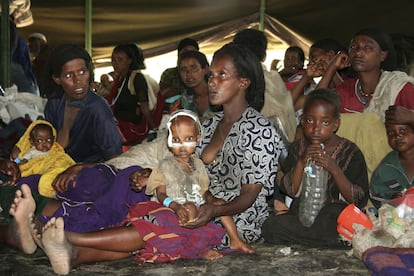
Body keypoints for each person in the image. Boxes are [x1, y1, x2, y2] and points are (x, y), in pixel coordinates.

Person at [4, 42, 282, 275]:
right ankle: (72, 253)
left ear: (243, 82)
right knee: (137, 195)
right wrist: (153, 174)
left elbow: (250, 197)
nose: (212, 82)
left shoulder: (259, 130)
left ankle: (64, 237)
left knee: (161, 222)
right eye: (212, 75)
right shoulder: (209, 124)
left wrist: (214, 210)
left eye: (223, 75)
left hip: (236, 216)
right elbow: (181, 163)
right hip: (197, 201)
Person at [262, 88, 369, 247]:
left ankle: (316, 239)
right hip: (303, 216)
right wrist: (301, 161)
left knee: (331, 212)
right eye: (310, 121)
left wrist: (334, 168)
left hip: (334, 218)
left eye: (324, 122)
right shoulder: (298, 148)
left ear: (335, 124)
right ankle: (327, 241)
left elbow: (359, 199)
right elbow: (290, 190)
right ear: (302, 121)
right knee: (270, 226)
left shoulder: (350, 152)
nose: (316, 128)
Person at [144, 109, 253, 253]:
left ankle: (235, 240)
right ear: (168, 142)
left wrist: (211, 199)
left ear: (198, 139)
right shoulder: (165, 165)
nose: (182, 146)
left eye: (188, 139)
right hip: (172, 210)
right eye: (176, 140)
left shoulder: (199, 164)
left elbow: (203, 190)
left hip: (195, 208)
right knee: (189, 207)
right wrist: (176, 206)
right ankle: (197, 248)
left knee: (220, 203)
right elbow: (161, 194)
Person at [233, 28, 296, 215]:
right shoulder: (274, 77)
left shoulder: (243, 77)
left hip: (267, 144)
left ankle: (275, 199)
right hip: (285, 143)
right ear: (263, 53)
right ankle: (277, 199)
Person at [43, 44, 123, 163]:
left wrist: (82, 168)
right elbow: (49, 145)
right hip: (57, 165)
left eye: (82, 72)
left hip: (91, 170)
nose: (78, 81)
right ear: (57, 79)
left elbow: (115, 158)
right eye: (69, 75)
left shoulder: (98, 108)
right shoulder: (54, 104)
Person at [318, 27, 414, 122]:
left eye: (367, 47)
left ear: (382, 55)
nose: (358, 53)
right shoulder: (345, 90)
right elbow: (315, 107)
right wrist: (332, 67)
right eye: (353, 47)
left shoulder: (399, 88)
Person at [106, 43, 162, 144]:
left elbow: (144, 107)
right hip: (119, 124)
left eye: (120, 59)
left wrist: (154, 129)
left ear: (129, 61)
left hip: (131, 129)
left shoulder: (136, 78)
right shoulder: (120, 78)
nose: (115, 63)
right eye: (113, 59)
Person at [290, 38, 348, 114]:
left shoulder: (349, 82)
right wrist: (306, 76)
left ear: (330, 55)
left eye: (313, 57)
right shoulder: (312, 86)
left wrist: (330, 68)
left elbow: (344, 95)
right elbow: (288, 105)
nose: (310, 62)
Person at [369, 117, 414, 209]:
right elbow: (375, 196)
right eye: (391, 133)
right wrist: (392, 198)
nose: (397, 136)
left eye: (403, 130)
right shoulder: (386, 168)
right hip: (400, 217)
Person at [159, 38, 200, 112]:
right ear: (179, 55)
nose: (189, 55)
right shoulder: (169, 74)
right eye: (185, 52)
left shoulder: (203, 73)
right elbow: (161, 96)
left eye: (193, 53)